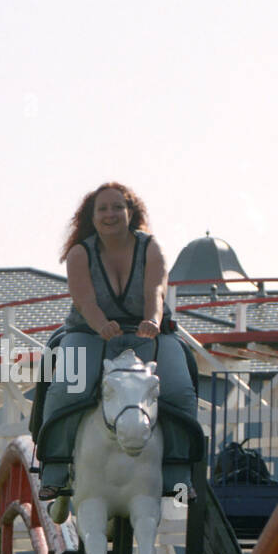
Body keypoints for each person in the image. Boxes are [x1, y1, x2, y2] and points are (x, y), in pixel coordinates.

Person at [32, 182, 203, 502]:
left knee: (179, 388)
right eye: (103, 209)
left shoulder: (151, 247)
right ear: (91, 217)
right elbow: (83, 299)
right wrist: (101, 325)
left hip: (149, 332)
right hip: (88, 331)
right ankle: (54, 468)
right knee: (67, 387)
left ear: (130, 212)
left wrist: (152, 320)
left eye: (117, 207)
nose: (110, 214)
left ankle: (179, 474)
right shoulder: (79, 253)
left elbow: (156, 290)